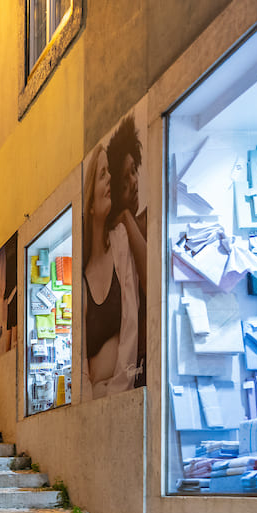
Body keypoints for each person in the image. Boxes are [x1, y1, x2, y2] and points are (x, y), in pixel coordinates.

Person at [82, 144, 142, 399]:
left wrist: (118, 391)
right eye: (102, 174)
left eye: (109, 172)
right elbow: (80, 358)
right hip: (92, 399)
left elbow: (131, 323)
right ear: (90, 203)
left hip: (120, 393)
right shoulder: (80, 273)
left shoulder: (119, 242)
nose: (110, 180)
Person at [106, 115, 147, 386]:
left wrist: (128, 220)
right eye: (124, 178)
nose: (133, 182)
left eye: (134, 171)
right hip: (137, 364)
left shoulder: (142, 223)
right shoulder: (115, 239)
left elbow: (152, 280)